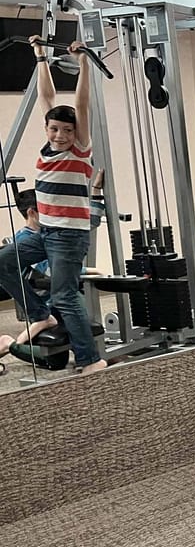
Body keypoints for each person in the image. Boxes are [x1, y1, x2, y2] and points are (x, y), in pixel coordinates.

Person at [0, 36, 107, 374]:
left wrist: (85, 65)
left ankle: (92, 360)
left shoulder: (79, 150)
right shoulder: (48, 147)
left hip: (68, 237)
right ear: (47, 128)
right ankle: (39, 315)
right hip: (44, 231)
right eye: (55, 128)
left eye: (67, 130)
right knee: (3, 262)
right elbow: (46, 97)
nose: (60, 135)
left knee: (64, 295)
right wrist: (40, 55)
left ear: (77, 134)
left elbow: (82, 103)